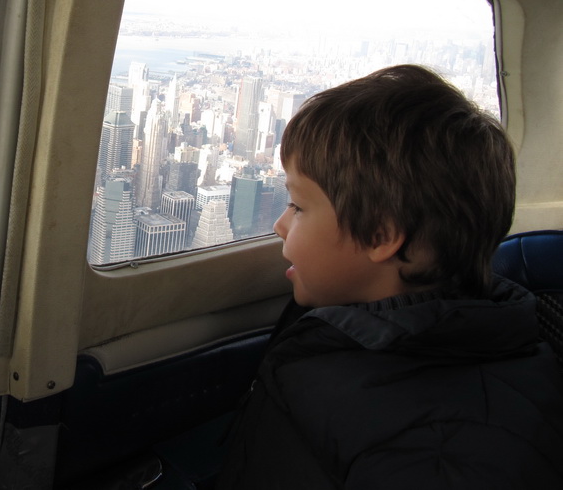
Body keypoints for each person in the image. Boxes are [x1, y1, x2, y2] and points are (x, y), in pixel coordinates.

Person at [217, 64, 563, 489]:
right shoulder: (341, 321)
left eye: (298, 207)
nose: (279, 225)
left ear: (380, 236)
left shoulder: (445, 453)